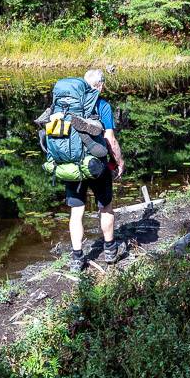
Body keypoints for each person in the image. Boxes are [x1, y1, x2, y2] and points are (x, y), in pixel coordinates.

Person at [67, 68, 125, 272]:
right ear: (100, 85)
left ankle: (76, 258)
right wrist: (119, 161)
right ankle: (110, 250)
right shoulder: (102, 105)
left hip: (72, 166)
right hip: (97, 166)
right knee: (105, 206)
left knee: (77, 211)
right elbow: (109, 138)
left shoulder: (68, 106)